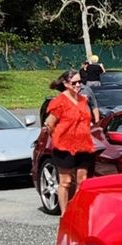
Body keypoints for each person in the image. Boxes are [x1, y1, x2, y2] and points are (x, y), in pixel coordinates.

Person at [43, 69, 94, 214]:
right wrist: (58, 139)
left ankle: (76, 210)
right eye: (74, 82)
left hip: (84, 145)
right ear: (65, 84)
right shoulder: (59, 102)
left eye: (80, 82)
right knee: (65, 182)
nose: (78, 85)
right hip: (65, 148)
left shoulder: (83, 100)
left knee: (82, 181)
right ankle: (65, 214)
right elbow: (49, 124)